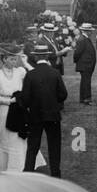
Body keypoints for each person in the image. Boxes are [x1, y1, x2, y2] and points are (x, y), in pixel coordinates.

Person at [20, 43, 67, 177]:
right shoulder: (55, 73)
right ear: (47, 56)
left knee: (33, 145)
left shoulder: (31, 75)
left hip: (35, 115)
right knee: (54, 146)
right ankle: (56, 174)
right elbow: (63, 94)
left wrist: (30, 106)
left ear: (35, 58)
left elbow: (25, 98)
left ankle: (28, 172)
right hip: (53, 115)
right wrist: (54, 102)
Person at [0, 43, 29, 173]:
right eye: (11, 59)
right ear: (4, 59)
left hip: (18, 109)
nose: (15, 61)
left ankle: (19, 166)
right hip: (4, 110)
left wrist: (25, 62)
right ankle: (3, 166)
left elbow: (35, 75)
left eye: (16, 59)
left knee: (18, 135)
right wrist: (7, 101)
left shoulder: (21, 71)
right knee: (5, 135)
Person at [73, 23, 97, 104]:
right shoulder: (82, 39)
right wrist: (78, 61)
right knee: (86, 82)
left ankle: (83, 98)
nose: (91, 32)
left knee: (85, 81)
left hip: (87, 64)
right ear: (86, 31)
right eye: (90, 31)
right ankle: (87, 99)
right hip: (85, 65)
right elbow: (77, 53)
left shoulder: (85, 38)